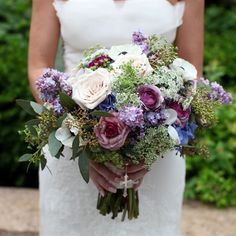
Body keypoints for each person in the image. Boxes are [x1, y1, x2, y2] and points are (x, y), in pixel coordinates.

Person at [28, 0, 204, 235]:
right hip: (71, 147)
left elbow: (192, 75)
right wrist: (82, 138)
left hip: (155, 157)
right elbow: (39, 66)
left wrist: (150, 145)